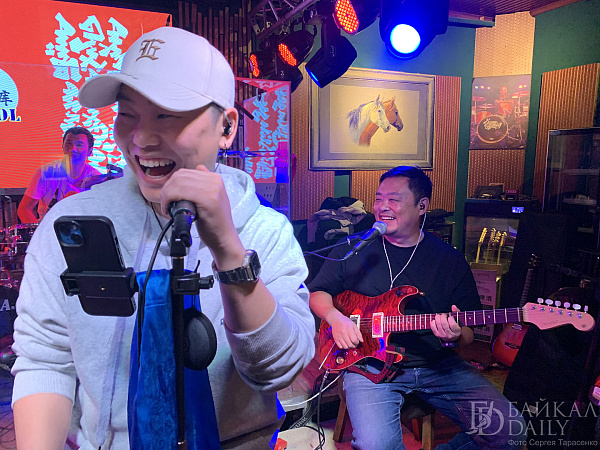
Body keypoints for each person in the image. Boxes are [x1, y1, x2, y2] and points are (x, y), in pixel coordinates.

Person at [11, 26, 315, 449]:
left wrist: (230, 252)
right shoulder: (71, 222)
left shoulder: (266, 230)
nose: (141, 138)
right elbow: (46, 359)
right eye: (127, 113)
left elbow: (279, 371)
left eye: (167, 115)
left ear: (227, 127)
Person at [309, 166, 526, 449]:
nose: (382, 207)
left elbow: (468, 334)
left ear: (422, 206)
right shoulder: (353, 247)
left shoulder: (448, 260)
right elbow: (317, 293)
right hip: (369, 366)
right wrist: (335, 318)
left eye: (394, 199)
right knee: (376, 445)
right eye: (378, 198)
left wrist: (454, 336)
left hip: (437, 364)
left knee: (510, 430)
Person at [17, 126, 101, 223]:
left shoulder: (96, 177)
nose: (72, 149)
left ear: (90, 151)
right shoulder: (45, 172)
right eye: (68, 143)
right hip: (49, 228)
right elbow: (24, 209)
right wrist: (38, 230)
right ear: (62, 146)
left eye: (79, 145)